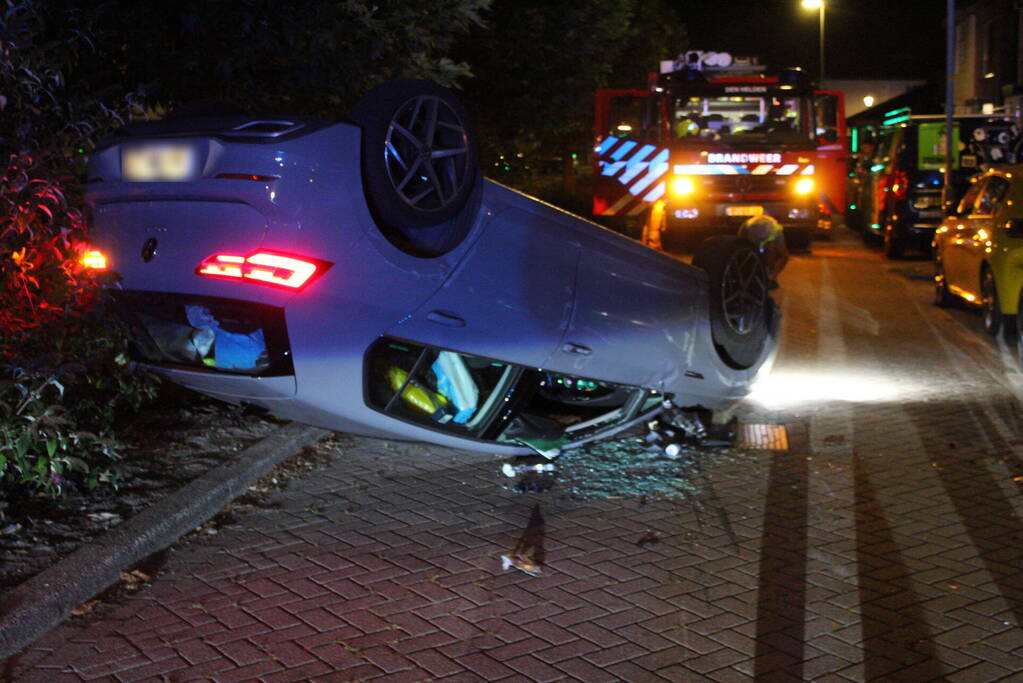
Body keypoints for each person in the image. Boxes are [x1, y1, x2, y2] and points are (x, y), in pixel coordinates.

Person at [738, 215, 788, 289]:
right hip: (752, 231)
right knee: (748, 251)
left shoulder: (776, 232)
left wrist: (773, 276)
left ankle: (769, 274)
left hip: (764, 233)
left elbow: (784, 255)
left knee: (770, 251)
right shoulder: (747, 228)